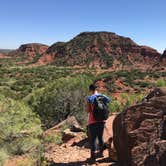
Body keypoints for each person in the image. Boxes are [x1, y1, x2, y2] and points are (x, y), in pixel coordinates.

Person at [84, 84, 110, 162]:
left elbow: (88, 110)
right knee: (100, 137)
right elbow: (107, 103)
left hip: (93, 121)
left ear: (90, 90)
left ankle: (93, 157)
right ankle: (101, 153)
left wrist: (86, 106)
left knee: (93, 139)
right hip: (102, 120)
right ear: (96, 89)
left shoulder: (89, 98)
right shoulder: (103, 97)